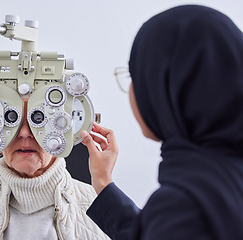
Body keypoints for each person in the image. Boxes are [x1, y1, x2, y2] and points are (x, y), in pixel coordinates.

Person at [81, 5, 243, 240]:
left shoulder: (186, 204)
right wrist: (104, 184)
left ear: (169, 88)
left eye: (135, 76)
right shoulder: (220, 184)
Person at [0, 98, 110, 240]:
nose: (24, 132)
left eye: (38, 119)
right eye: (11, 119)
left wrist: (105, 188)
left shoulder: (108, 214)